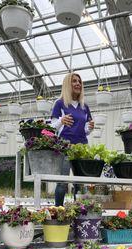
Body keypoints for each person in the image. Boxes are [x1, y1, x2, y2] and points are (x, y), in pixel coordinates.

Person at [51, 72, 94, 206]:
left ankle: (79, 212)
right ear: (67, 85)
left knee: (80, 183)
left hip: (81, 147)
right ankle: (58, 211)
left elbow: (85, 130)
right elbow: (52, 127)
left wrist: (90, 127)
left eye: (79, 82)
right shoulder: (60, 104)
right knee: (62, 182)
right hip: (65, 146)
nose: (78, 84)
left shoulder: (84, 107)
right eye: (74, 81)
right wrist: (61, 121)